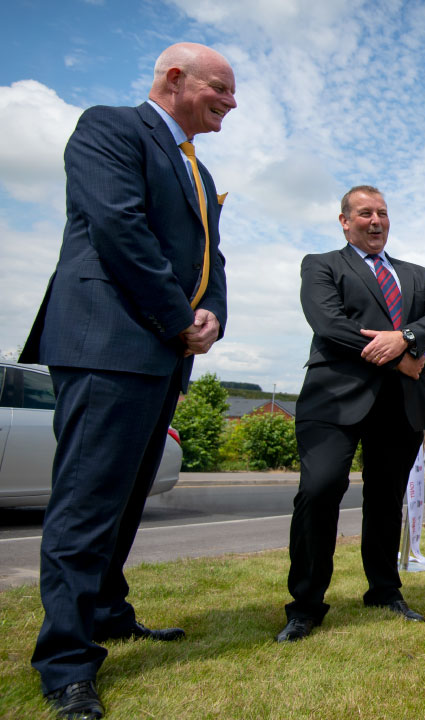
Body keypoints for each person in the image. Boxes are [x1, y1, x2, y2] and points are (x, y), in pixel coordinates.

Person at [19, 42, 235, 720]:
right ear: (175, 78)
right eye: (221, 88)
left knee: (127, 501)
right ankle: (66, 663)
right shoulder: (109, 127)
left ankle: (108, 612)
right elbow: (119, 227)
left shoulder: (197, 173)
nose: (232, 102)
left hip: (163, 355)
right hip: (110, 343)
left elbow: (211, 258)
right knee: (86, 507)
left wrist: (213, 319)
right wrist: (178, 318)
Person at [275, 185, 425, 643]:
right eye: (365, 213)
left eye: (383, 214)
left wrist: (405, 336)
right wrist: (400, 355)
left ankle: (385, 592)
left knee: (386, 500)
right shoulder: (322, 264)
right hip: (334, 400)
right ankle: (306, 605)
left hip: (401, 404)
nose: (376, 221)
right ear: (345, 221)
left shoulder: (416, 273)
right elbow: (329, 325)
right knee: (319, 490)